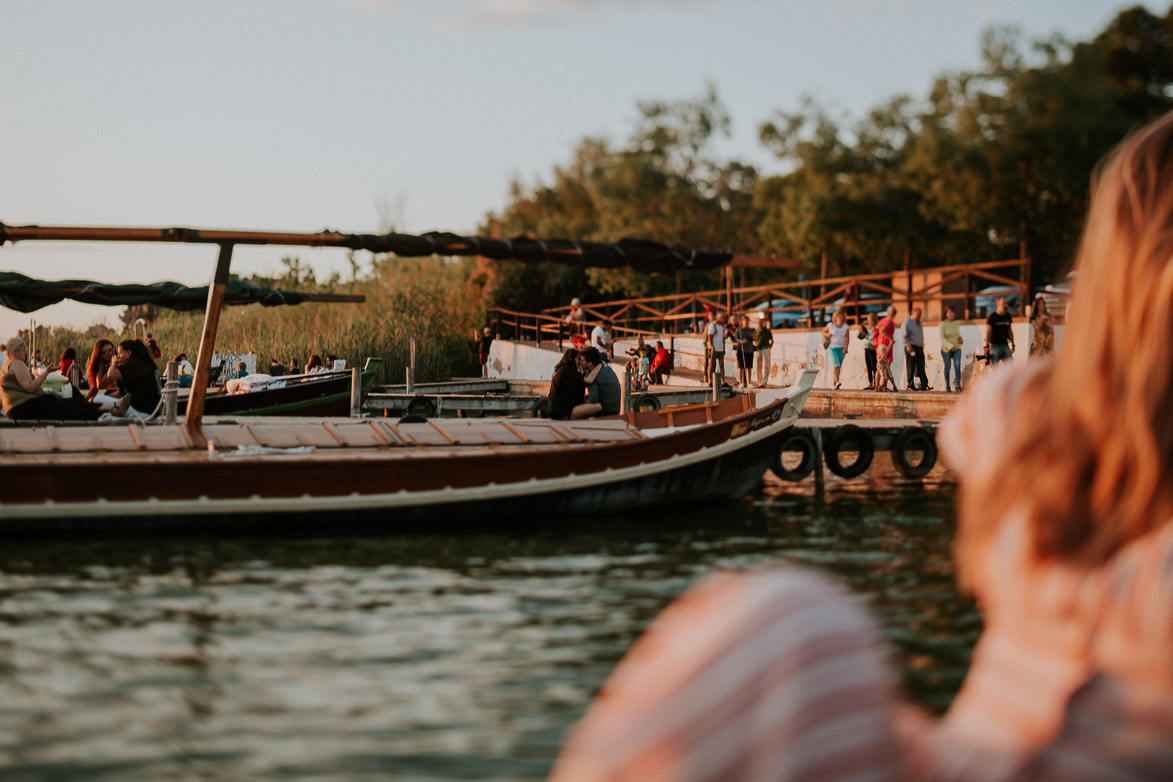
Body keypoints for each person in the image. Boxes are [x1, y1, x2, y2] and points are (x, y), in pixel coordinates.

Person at [552, 110, 1173, 782]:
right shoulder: (1039, 425)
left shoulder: (1035, 428)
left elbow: (991, 413)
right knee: (792, 626)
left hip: (961, 754)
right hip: (963, 762)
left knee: (786, 624)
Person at [0, 337, 105, 421]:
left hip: (16, 407)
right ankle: (105, 414)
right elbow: (30, 387)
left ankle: (108, 408)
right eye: (24, 349)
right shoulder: (17, 363)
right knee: (69, 409)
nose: (26, 352)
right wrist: (47, 372)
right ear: (15, 351)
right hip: (24, 406)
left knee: (70, 403)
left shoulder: (6, 364)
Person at [105, 340, 161, 417]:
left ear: (128, 353)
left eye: (120, 353)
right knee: (105, 397)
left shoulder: (133, 364)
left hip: (140, 412)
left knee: (97, 399)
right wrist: (108, 397)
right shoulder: (143, 363)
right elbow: (126, 392)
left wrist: (114, 363)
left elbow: (111, 375)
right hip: (152, 412)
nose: (118, 356)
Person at [572, 347, 620, 419]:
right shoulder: (605, 368)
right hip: (615, 408)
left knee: (574, 413)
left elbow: (593, 401)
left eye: (582, 361)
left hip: (605, 411)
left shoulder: (593, 377)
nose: (580, 362)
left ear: (590, 363)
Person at [546, 348, 585, 420]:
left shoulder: (563, 369)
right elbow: (586, 380)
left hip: (554, 409)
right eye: (578, 359)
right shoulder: (569, 370)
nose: (579, 362)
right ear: (573, 359)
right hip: (560, 411)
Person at [901, 306, 929, 390]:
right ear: (913, 313)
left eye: (920, 314)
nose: (919, 316)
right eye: (918, 314)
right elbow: (904, 336)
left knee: (921, 366)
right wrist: (908, 345)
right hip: (911, 347)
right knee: (911, 366)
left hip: (919, 347)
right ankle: (910, 385)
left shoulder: (919, 323)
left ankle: (924, 384)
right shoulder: (907, 322)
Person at [822, 309, 851, 390]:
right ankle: (838, 381)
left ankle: (834, 383)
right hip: (832, 347)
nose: (840, 318)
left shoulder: (846, 327)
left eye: (841, 316)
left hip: (841, 348)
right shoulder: (830, 325)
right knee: (836, 364)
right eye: (838, 317)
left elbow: (847, 338)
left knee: (838, 366)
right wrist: (828, 335)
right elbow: (822, 332)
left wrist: (846, 347)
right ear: (835, 318)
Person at [84, 339, 120, 403]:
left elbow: (100, 385)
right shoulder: (106, 367)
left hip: (121, 397)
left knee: (97, 399)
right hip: (113, 398)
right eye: (106, 352)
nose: (111, 353)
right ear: (100, 356)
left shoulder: (117, 365)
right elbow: (94, 389)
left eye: (112, 350)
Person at [985, 296, 1015, 365]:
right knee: (994, 367)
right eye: (1004, 303)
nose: (1006, 305)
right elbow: (988, 332)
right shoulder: (992, 317)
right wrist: (986, 345)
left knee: (1010, 367)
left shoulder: (1007, 316)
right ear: (998, 304)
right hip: (995, 346)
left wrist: (1013, 343)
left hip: (1005, 344)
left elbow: (1010, 330)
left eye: (1006, 303)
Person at [874, 306, 898, 392]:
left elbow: (877, 331)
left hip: (879, 345)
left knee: (880, 367)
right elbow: (882, 331)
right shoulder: (889, 322)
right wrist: (891, 340)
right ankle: (884, 386)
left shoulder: (881, 321)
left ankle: (876, 386)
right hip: (886, 345)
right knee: (887, 366)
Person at [939, 306, 963, 392]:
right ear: (945, 314)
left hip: (957, 348)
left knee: (957, 365)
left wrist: (960, 339)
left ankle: (958, 385)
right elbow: (942, 338)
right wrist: (950, 346)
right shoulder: (943, 324)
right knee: (947, 366)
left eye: (952, 312)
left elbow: (957, 335)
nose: (951, 314)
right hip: (946, 349)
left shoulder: (956, 323)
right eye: (949, 312)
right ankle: (948, 386)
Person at [859, 313, 879, 389]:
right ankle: (870, 383)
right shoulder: (870, 328)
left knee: (873, 366)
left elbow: (875, 338)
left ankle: (875, 383)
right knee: (868, 367)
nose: (869, 322)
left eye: (870, 321)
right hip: (867, 348)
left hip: (872, 349)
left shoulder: (876, 328)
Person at [753, 313, 773, 388]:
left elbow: (771, 340)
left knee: (766, 365)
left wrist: (770, 347)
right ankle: (759, 382)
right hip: (758, 349)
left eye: (761, 322)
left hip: (766, 348)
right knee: (758, 366)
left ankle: (764, 382)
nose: (760, 323)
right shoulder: (755, 331)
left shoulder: (767, 330)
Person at [733, 315, 754, 388]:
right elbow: (736, 339)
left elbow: (754, 338)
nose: (747, 322)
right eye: (745, 321)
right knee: (741, 367)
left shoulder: (750, 330)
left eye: (748, 321)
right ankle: (741, 382)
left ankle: (749, 383)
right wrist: (742, 341)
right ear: (742, 322)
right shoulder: (739, 330)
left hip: (749, 350)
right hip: (741, 350)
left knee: (749, 367)